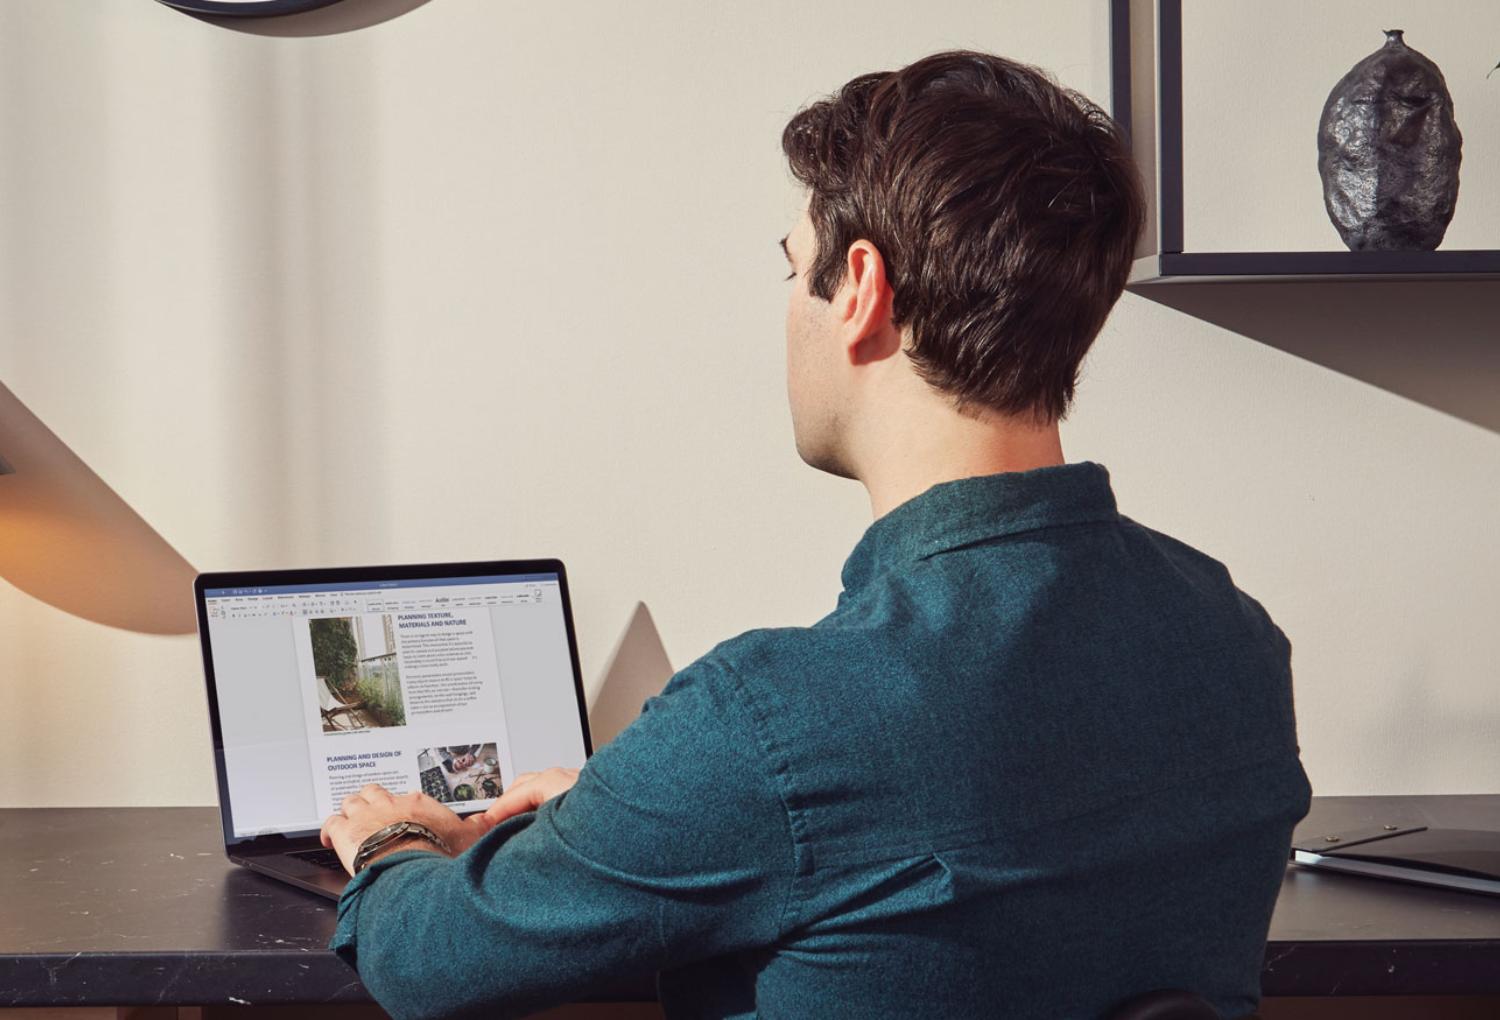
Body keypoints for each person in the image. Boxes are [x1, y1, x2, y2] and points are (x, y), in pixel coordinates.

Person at [320, 48, 1311, 1019]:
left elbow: (428, 960)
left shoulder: (765, 725)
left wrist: (393, 838)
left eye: (795, 269)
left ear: (861, 291)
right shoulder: (1234, 640)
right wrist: (641, 809)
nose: (789, 306)